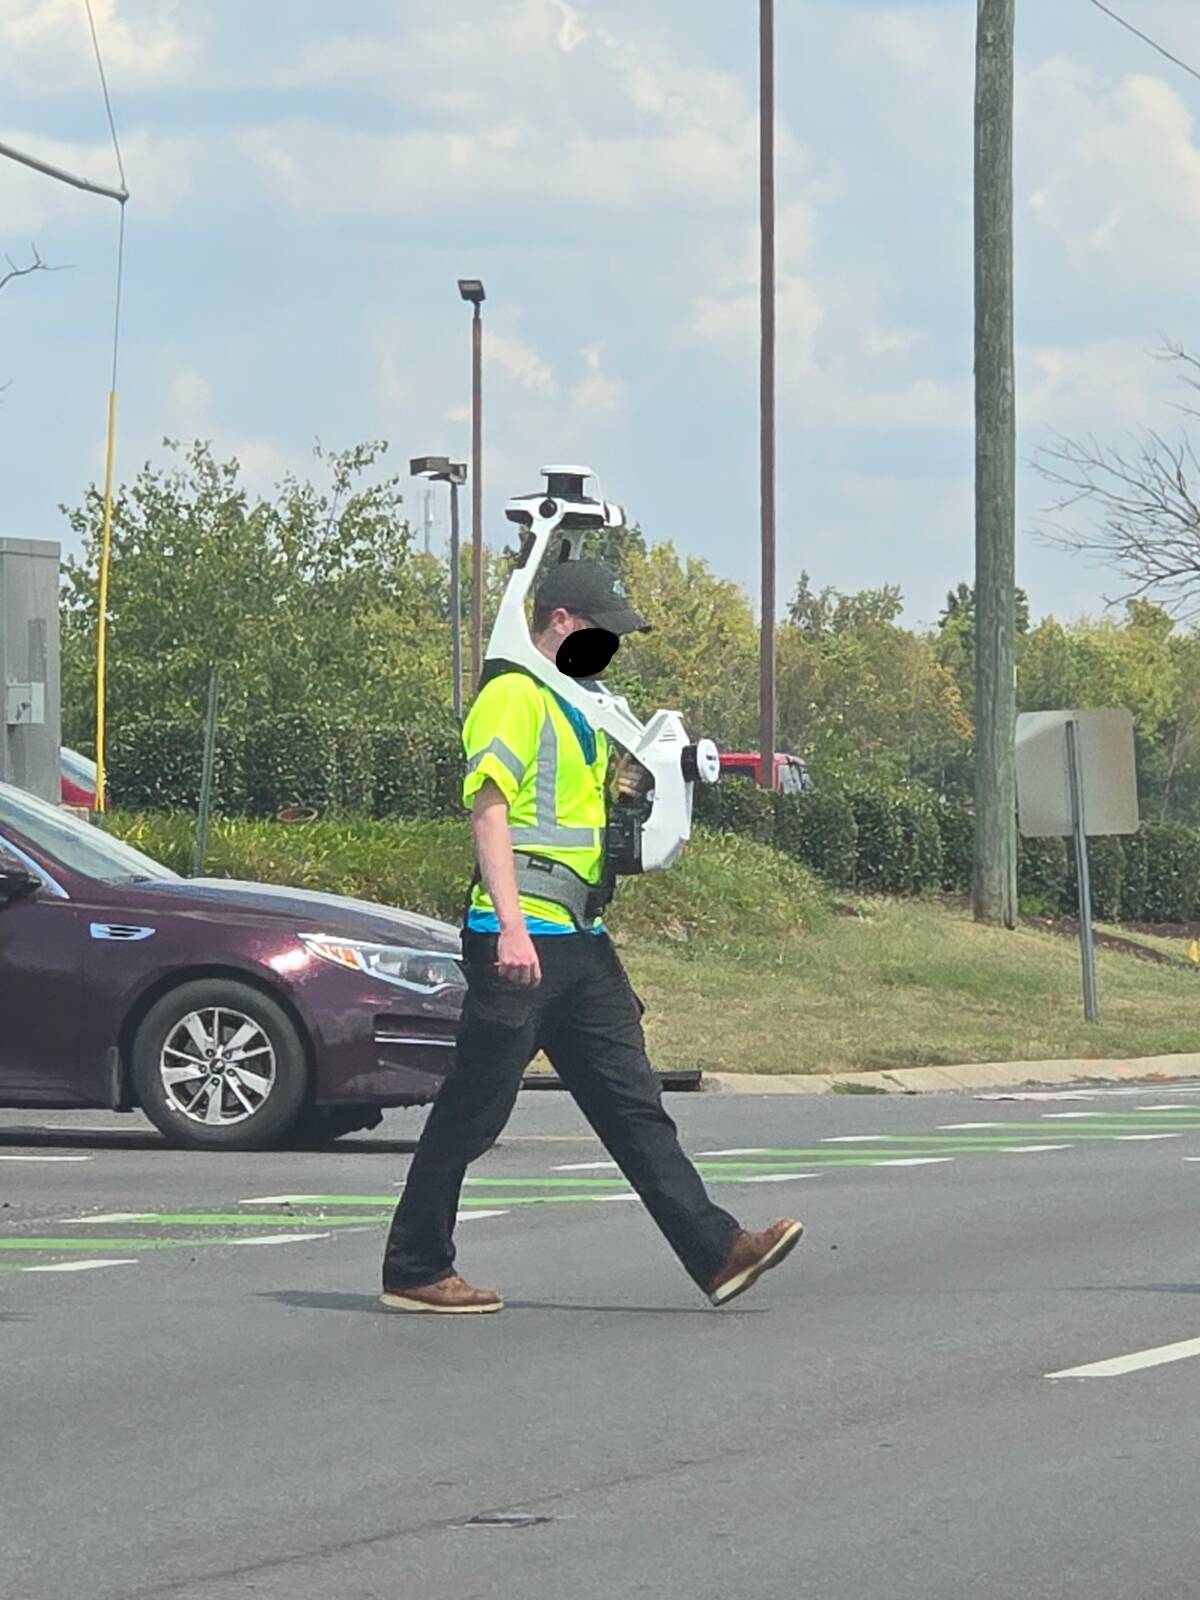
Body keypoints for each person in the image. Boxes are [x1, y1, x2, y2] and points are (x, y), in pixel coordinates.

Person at [380, 559, 803, 1314]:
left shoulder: (580, 706)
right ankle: (415, 1265)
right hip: (521, 939)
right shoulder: (513, 694)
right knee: (473, 1111)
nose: (613, 646)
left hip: (580, 939)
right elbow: (489, 810)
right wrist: (512, 929)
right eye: (604, 631)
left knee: (634, 1104)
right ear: (562, 622)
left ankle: (718, 1253)